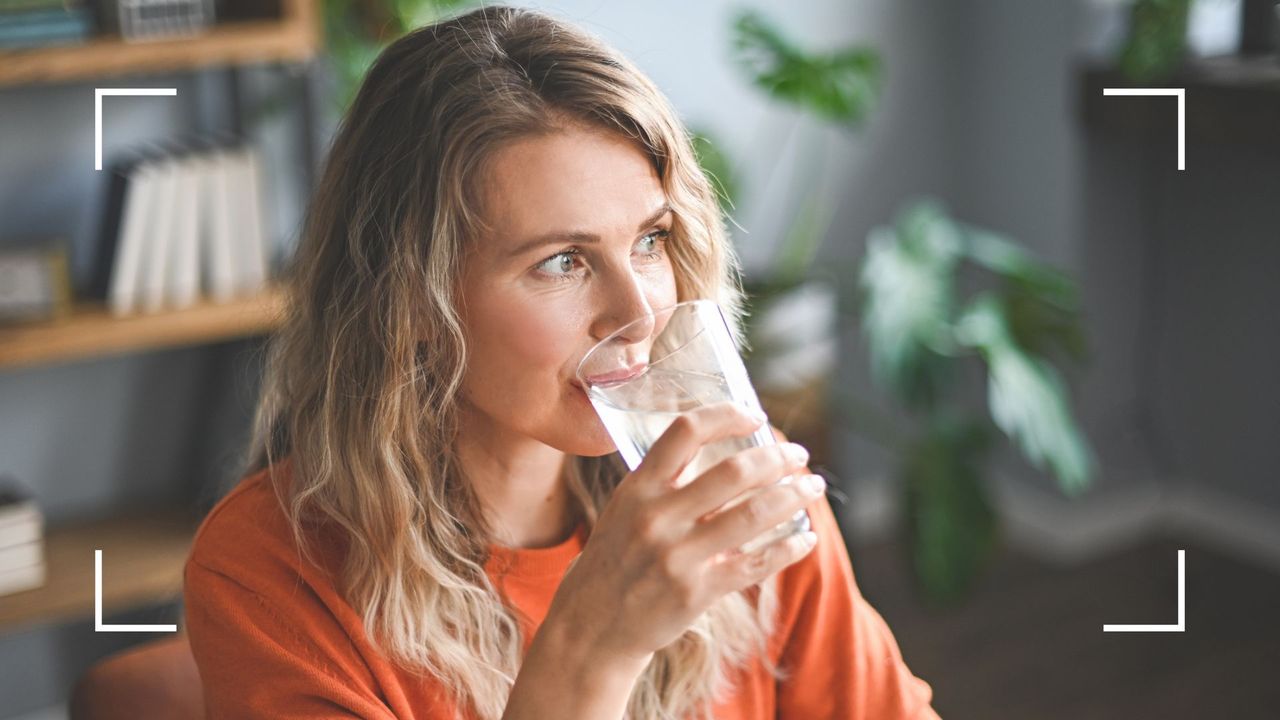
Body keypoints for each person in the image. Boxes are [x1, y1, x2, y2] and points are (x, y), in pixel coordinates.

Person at [182, 5, 940, 719]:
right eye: (562, 262)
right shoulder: (271, 576)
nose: (639, 314)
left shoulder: (738, 494)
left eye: (649, 241)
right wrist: (592, 648)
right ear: (409, 300)